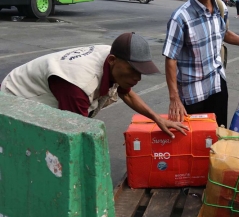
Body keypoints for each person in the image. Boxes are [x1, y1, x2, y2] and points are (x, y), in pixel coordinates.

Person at [0, 32, 187, 138]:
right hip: (16, 97)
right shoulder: (80, 84)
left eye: (141, 72)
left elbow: (127, 94)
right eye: (132, 70)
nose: (137, 78)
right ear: (113, 60)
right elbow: (73, 133)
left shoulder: (111, 56)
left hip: (53, 87)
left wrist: (157, 118)